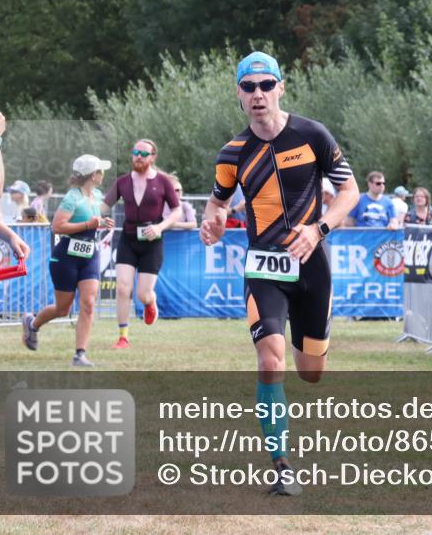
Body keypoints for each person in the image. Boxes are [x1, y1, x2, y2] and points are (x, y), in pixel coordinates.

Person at [200, 51, 358, 495]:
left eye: (266, 85)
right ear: (238, 93)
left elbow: (350, 190)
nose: (258, 95)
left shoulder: (312, 135)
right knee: (271, 360)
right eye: (248, 87)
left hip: (312, 267)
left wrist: (319, 228)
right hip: (263, 268)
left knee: (311, 372)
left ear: (281, 88)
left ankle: (310, 346)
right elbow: (217, 201)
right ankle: (282, 465)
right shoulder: (232, 152)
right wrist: (211, 220)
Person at [21, 155, 115, 366]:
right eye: (101, 171)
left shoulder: (98, 195)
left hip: (90, 254)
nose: (103, 174)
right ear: (93, 175)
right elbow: (57, 226)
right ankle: (32, 324)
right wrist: (89, 224)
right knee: (63, 308)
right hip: (66, 257)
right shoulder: (73, 198)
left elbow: (91, 221)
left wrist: (101, 223)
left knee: (88, 303)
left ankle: (80, 354)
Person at [102, 139, 182, 348]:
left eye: (143, 153)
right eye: (135, 152)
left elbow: (177, 211)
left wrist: (160, 227)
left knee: (142, 294)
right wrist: (91, 215)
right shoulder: (122, 182)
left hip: (152, 241)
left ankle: (150, 302)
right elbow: (103, 206)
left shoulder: (163, 182)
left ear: (153, 157)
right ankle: (123, 336)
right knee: (122, 288)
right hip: (128, 239)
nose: (138, 156)